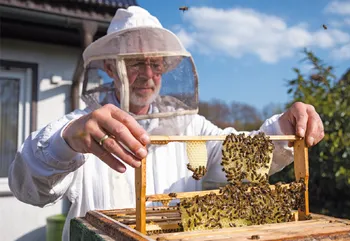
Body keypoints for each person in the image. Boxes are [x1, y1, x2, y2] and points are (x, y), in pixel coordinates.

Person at [8, 6, 324, 241]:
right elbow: (27, 187)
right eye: (135, 62)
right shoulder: (82, 127)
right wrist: (65, 142)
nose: (148, 74)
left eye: (156, 63)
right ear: (109, 67)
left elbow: (239, 159)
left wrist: (283, 129)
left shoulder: (190, 128)